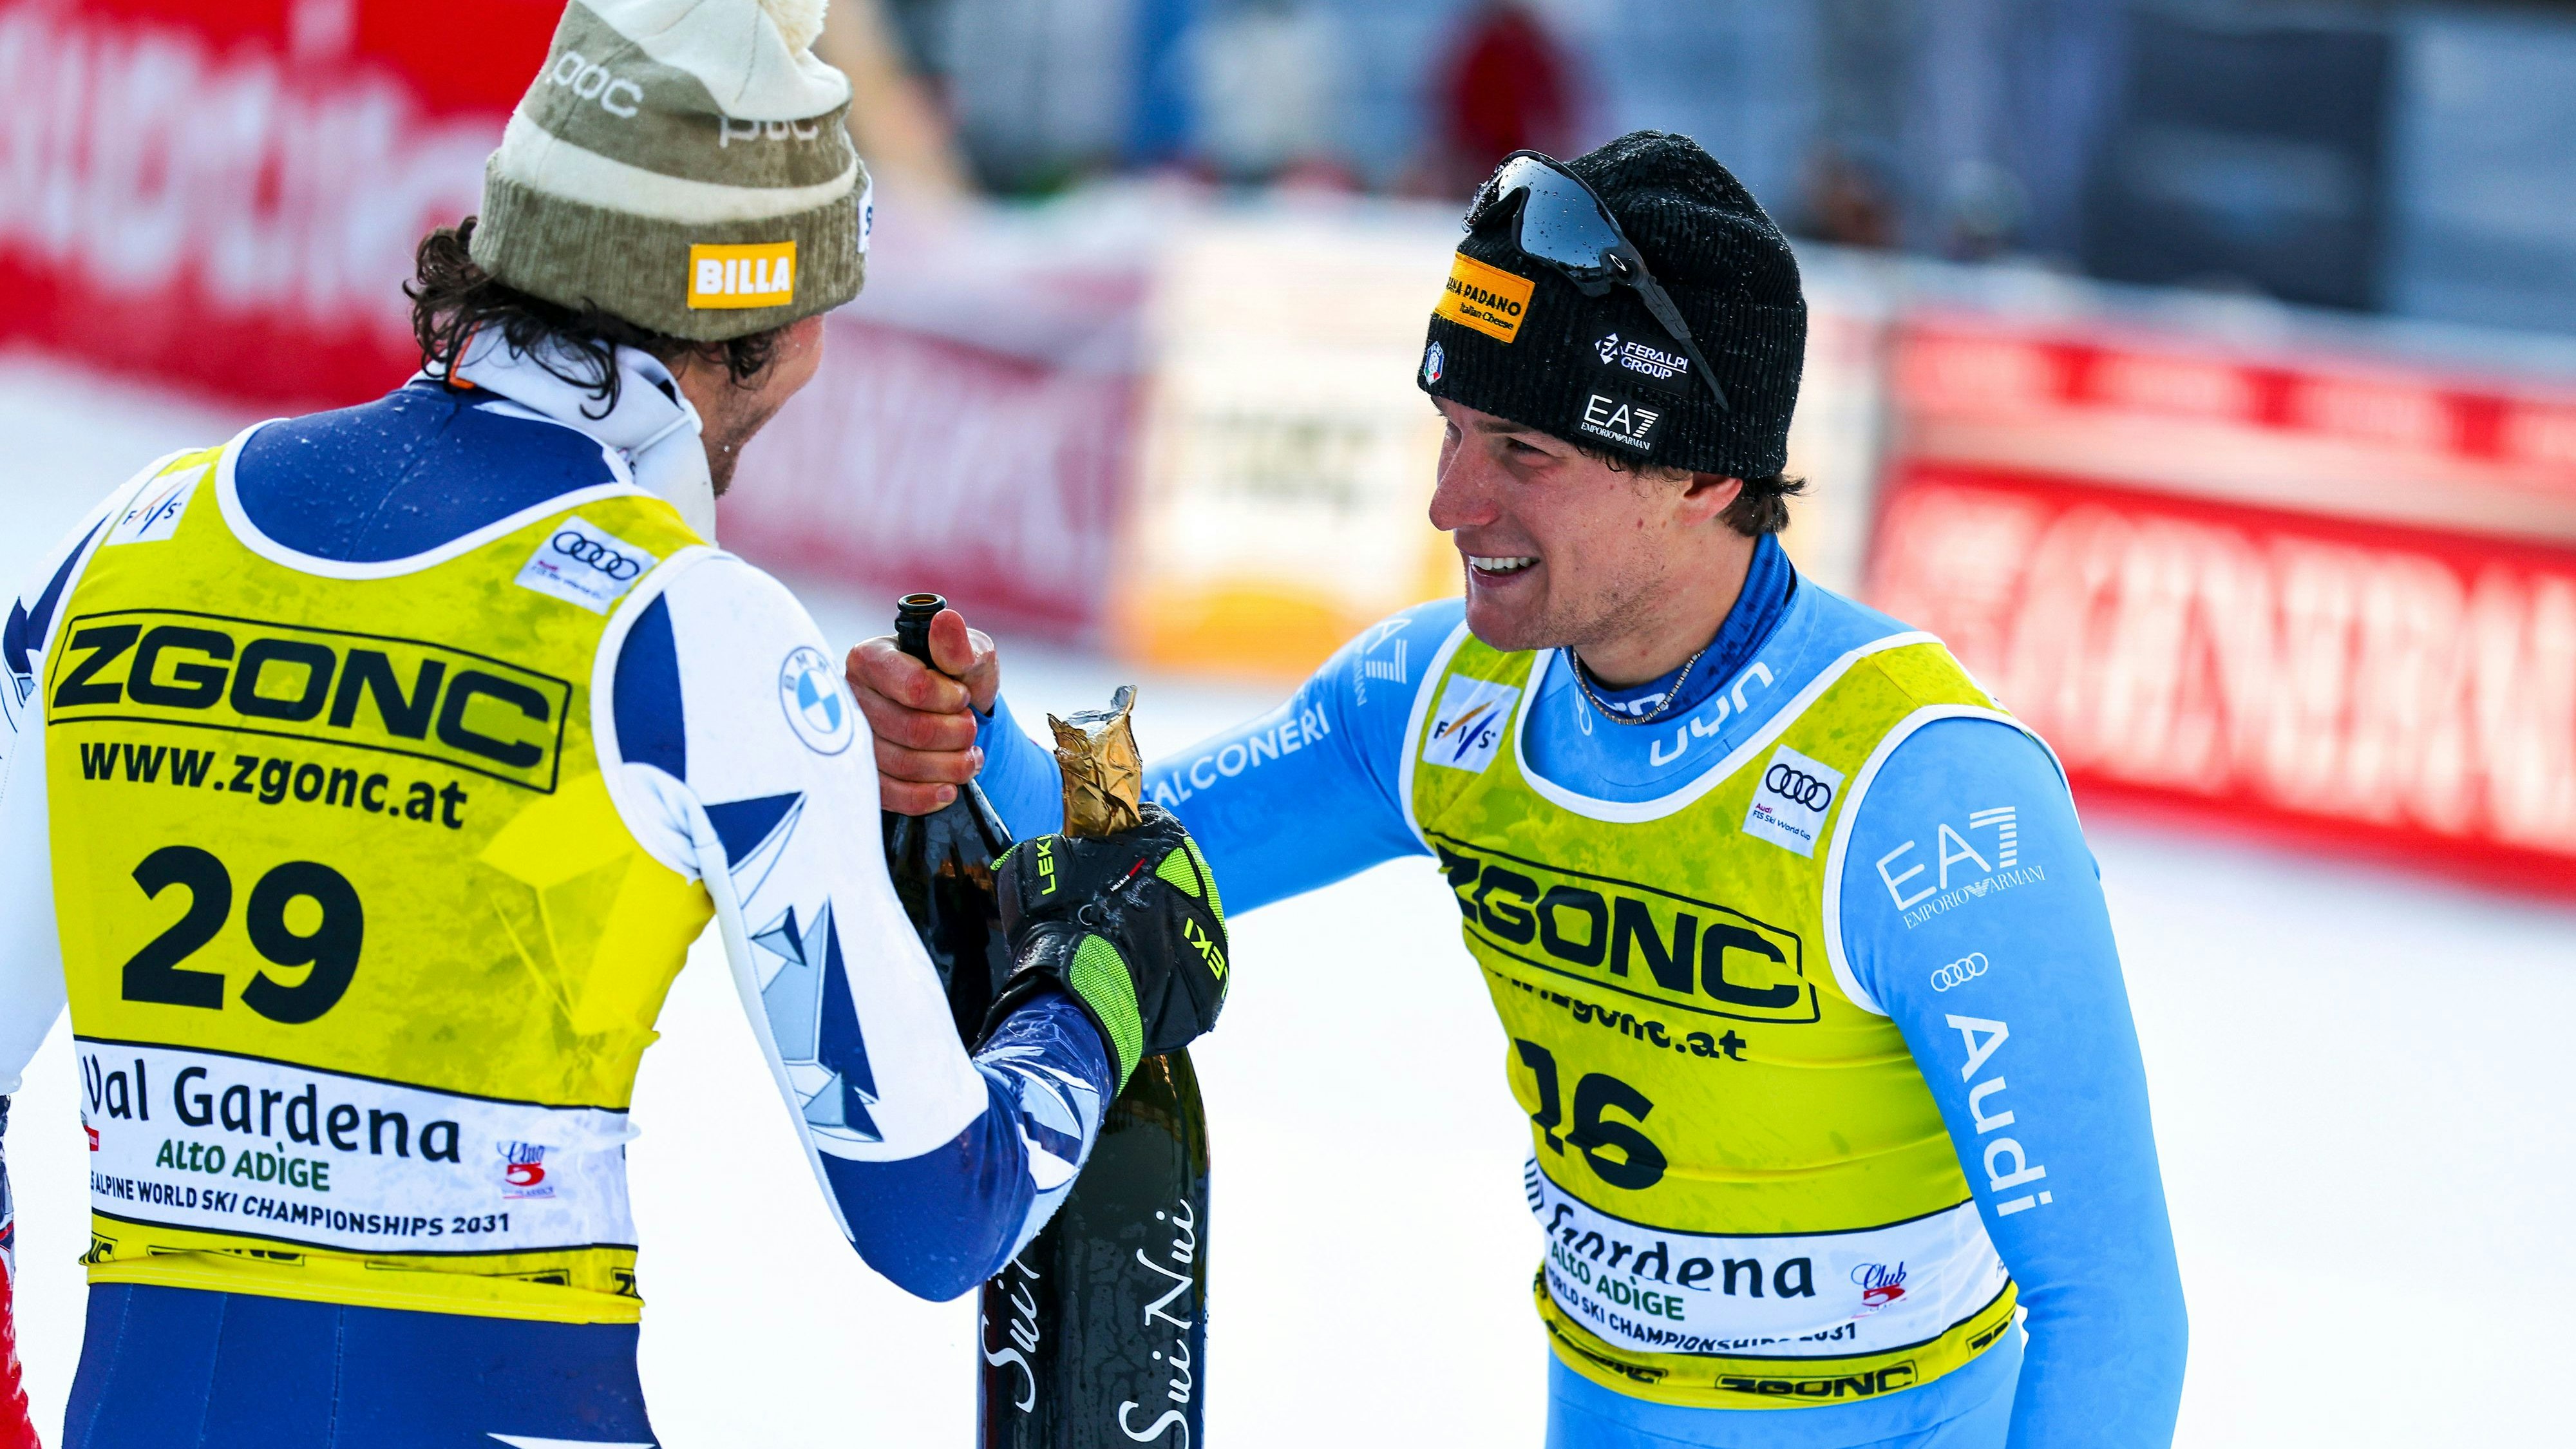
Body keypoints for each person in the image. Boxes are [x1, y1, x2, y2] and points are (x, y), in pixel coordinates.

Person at [0, 1, 1223, 1443]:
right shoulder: (697, 636)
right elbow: (935, 1214)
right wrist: (1091, 995)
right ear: (754, 322)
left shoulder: (129, 541)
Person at [857, 133, 2188, 1447]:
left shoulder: (1927, 795)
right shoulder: (1436, 704)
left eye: (1522, 452)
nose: (1449, 502)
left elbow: (2111, 1312)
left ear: (1704, 474)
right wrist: (967, 745)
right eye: (1449, 432)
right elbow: (1125, 861)